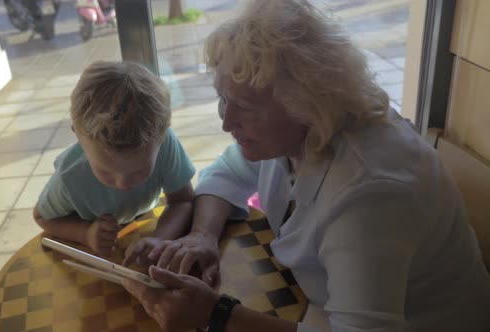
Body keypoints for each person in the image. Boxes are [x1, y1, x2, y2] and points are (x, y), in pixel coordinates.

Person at [121, 1, 490, 331]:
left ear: (306, 101)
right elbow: (227, 170)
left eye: (245, 107)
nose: (226, 121)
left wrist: (216, 315)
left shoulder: (370, 193)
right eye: (222, 98)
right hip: (323, 304)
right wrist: (202, 235)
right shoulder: (299, 134)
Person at [33, 61, 195, 256]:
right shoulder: (70, 176)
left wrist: (159, 238)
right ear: (78, 136)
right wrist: (86, 233)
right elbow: (42, 216)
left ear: (162, 136)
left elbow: (183, 201)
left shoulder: (165, 142)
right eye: (105, 171)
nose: (122, 183)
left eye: (138, 170)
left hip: (144, 218)